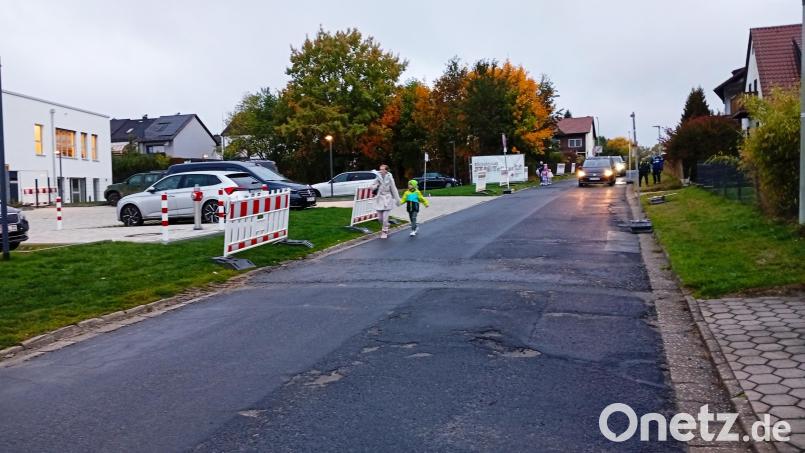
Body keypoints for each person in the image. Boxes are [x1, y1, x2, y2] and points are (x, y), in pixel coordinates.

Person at [372, 164, 400, 239]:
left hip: (387, 199)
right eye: (380, 169)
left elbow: (394, 189)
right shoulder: (378, 177)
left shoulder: (390, 178)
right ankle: (386, 224)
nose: (381, 171)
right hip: (379, 199)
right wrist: (375, 186)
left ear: (386, 170)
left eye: (382, 169)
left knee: (385, 218)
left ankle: (384, 231)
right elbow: (372, 186)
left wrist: (397, 200)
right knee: (380, 218)